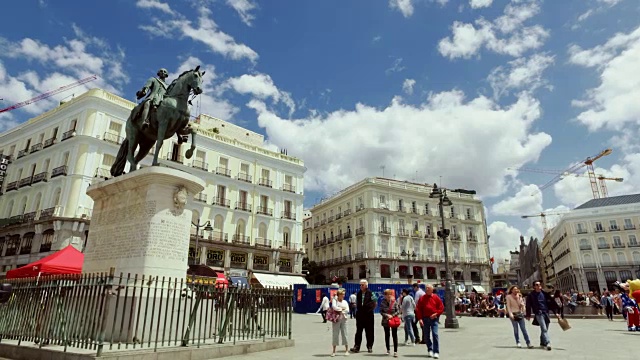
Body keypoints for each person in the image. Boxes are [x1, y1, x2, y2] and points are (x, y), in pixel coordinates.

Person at [525, 280, 559, 351]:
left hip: (546, 313)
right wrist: (528, 315)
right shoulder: (531, 295)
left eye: (539, 284)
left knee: (545, 328)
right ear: (534, 286)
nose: (539, 285)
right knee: (544, 329)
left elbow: (551, 304)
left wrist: (556, 313)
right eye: (537, 285)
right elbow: (528, 305)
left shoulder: (545, 294)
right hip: (538, 313)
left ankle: (542, 342)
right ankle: (547, 343)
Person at [416, 284, 444, 359]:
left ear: (432, 290)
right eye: (426, 288)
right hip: (425, 319)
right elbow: (418, 309)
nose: (427, 289)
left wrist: (436, 314)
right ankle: (430, 349)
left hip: (434, 319)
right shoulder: (422, 298)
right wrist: (420, 319)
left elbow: (441, 308)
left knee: (435, 334)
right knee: (426, 335)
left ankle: (436, 351)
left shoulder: (436, 297)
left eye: (428, 288)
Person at [350, 279, 376, 353]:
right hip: (360, 315)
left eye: (362, 285)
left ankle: (369, 346)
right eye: (360, 285)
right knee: (358, 331)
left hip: (368, 315)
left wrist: (370, 309)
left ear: (366, 285)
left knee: (369, 331)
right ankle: (357, 346)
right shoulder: (358, 293)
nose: (361, 286)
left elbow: (375, 302)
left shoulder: (371, 293)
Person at [380, 289, 401, 357]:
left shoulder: (394, 302)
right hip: (386, 320)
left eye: (390, 294)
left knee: (394, 335)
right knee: (387, 335)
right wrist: (386, 315)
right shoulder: (382, 302)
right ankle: (388, 350)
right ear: (385, 295)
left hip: (393, 320)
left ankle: (395, 351)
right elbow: (381, 311)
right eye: (387, 294)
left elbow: (398, 311)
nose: (388, 296)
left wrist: (392, 315)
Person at [330, 289, 350, 357]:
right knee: (335, 334)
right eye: (342, 294)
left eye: (344, 294)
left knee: (345, 334)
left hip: (344, 319)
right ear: (339, 295)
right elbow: (334, 307)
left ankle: (347, 350)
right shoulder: (335, 301)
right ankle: (333, 351)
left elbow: (347, 310)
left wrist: (340, 310)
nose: (343, 296)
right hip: (336, 319)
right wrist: (342, 309)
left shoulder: (345, 302)